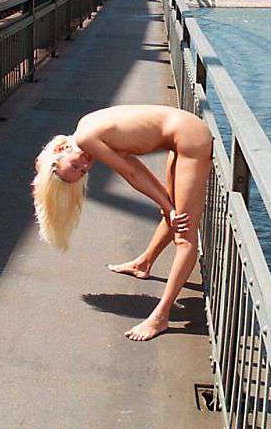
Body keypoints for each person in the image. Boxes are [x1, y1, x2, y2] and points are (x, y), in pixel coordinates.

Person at [32, 104, 213, 341]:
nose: (85, 165)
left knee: (184, 234)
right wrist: (165, 203)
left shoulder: (87, 139)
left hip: (190, 138)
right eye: (82, 172)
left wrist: (168, 207)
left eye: (75, 166)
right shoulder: (85, 128)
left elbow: (131, 174)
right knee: (174, 213)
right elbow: (135, 167)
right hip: (183, 134)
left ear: (61, 149)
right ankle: (143, 264)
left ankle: (161, 316)